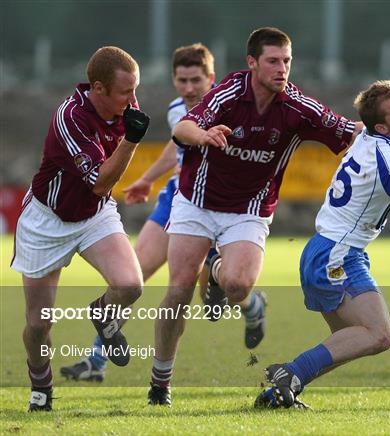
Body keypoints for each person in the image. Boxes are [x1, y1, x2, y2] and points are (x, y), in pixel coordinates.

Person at [147, 27, 363, 406]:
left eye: (287, 61)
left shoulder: (298, 107)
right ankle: (160, 382)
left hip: (248, 210)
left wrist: (386, 131)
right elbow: (183, 127)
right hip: (196, 200)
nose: (282, 69)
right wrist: (204, 135)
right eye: (273, 61)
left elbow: (349, 131)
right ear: (252, 63)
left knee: (238, 286)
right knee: (179, 288)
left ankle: (215, 270)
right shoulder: (229, 92)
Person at [255, 80, 390, 409]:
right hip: (337, 255)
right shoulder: (388, 155)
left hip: (322, 251)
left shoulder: (368, 136)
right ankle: (289, 374)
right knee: (378, 335)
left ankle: (279, 394)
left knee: (349, 341)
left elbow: (361, 126)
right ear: (382, 126)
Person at [58, 43, 226, 383]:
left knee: (225, 286)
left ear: (211, 78)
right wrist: (148, 178)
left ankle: (251, 305)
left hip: (220, 206)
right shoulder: (178, 109)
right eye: (182, 80)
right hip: (177, 200)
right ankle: (96, 361)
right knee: (132, 277)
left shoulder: (229, 107)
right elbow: (176, 146)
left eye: (196, 80)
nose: (189, 88)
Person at [10, 46, 150, 411]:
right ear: (99, 89)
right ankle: (41, 387)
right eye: (125, 92)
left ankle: (104, 313)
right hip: (47, 221)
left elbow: (100, 195)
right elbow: (100, 182)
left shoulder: (123, 112)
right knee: (39, 325)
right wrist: (131, 141)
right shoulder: (70, 118)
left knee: (130, 285)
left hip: (94, 216)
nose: (133, 101)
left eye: (135, 90)